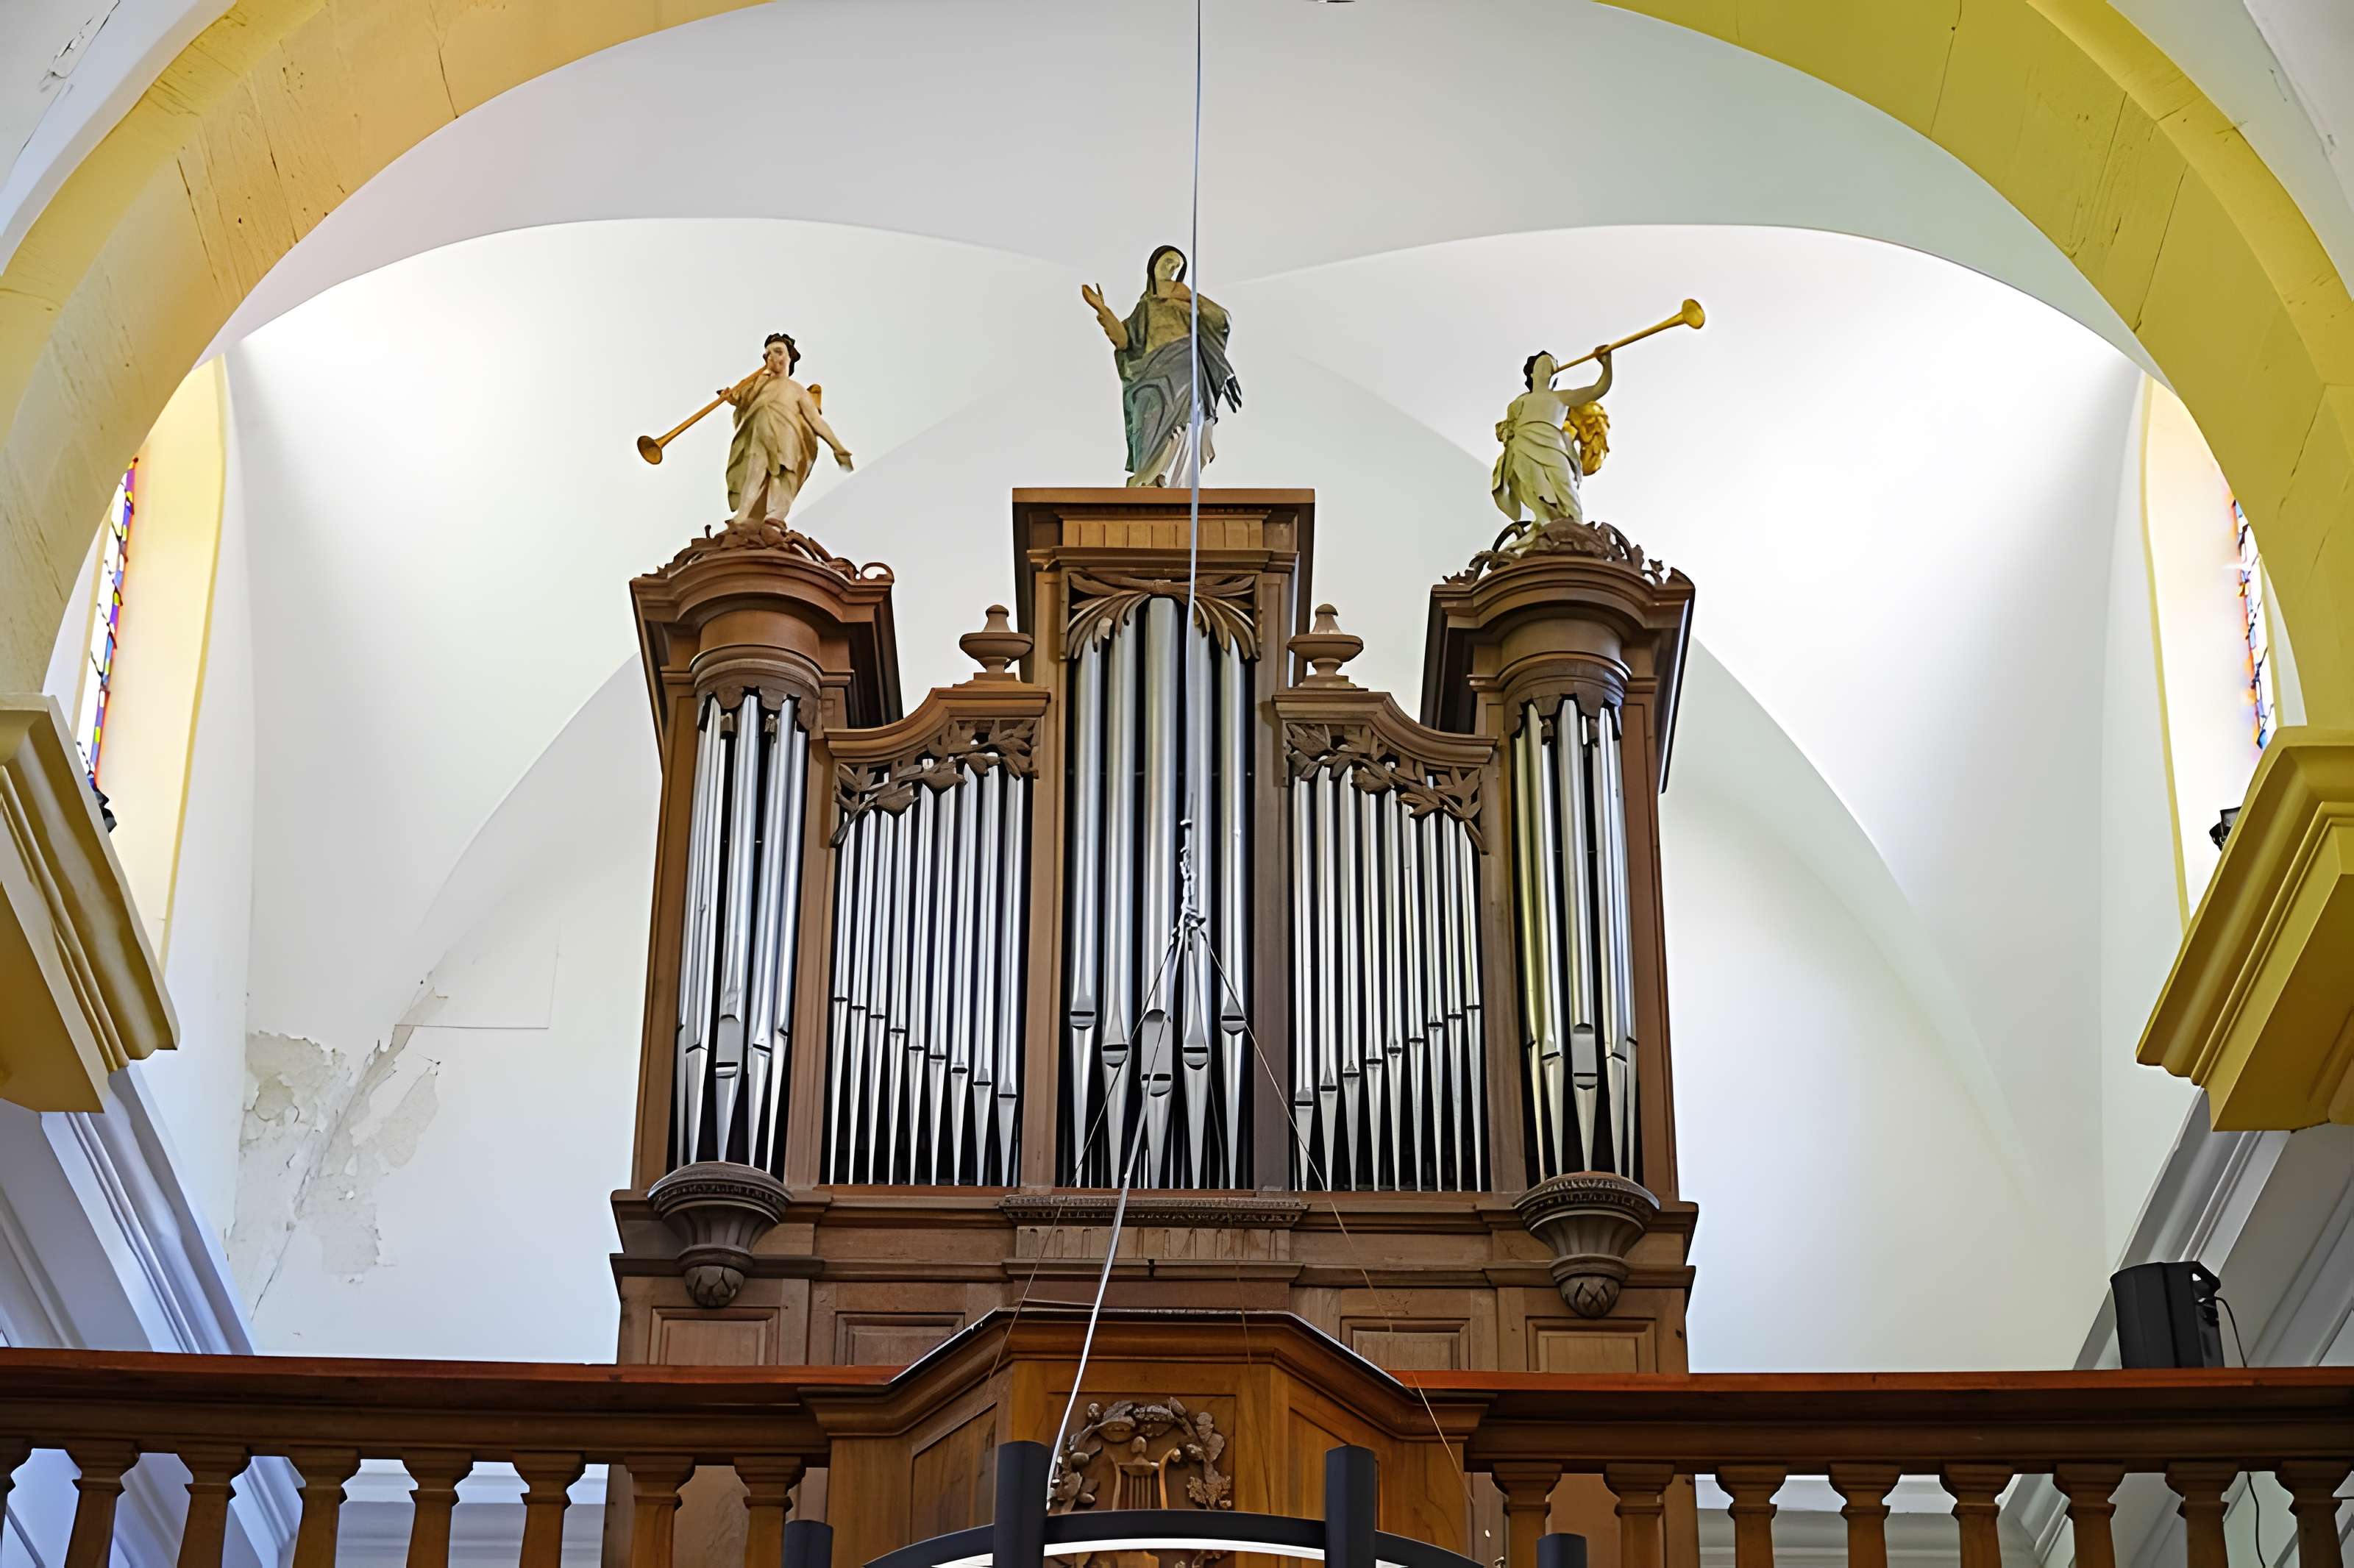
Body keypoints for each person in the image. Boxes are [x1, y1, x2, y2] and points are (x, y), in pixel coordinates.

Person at [1081, 245, 1242, 487]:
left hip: (1185, 375)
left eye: (1176, 266)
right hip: (1150, 374)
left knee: (1185, 425)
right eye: (1167, 261)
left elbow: (1222, 320)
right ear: (1153, 267)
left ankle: (1172, 480)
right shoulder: (1146, 306)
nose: (1171, 268)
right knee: (1149, 412)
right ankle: (1149, 477)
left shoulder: (1187, 307)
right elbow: (1124, 340)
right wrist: (1103, 310)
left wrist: (1188, 296)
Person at [722, 332, 853, 525]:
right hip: (758, 431)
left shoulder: (797, 390)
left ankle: (774, 517)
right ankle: (744, 513)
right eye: (767, 354)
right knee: (754, 471)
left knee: (783, 477)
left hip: (787, 438)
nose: (772, 357)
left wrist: (838, 449)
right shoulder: (758, 386)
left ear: (789, 358)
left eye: (778, 352)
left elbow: (816, 422)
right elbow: (744, 401)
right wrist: (734, 399)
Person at [1492, 346, 1612, 528]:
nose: (1547, 368)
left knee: (1565, 484)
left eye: (1552, 367)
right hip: (1522, 447)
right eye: (1542, 364)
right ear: (1531, 374)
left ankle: (1576, 527)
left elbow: (1598, 389)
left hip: (1552, 446)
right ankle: (1544, 524)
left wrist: (1606, 365)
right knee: (1531, 487)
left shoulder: (1561, 397)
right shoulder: (1518, 402)